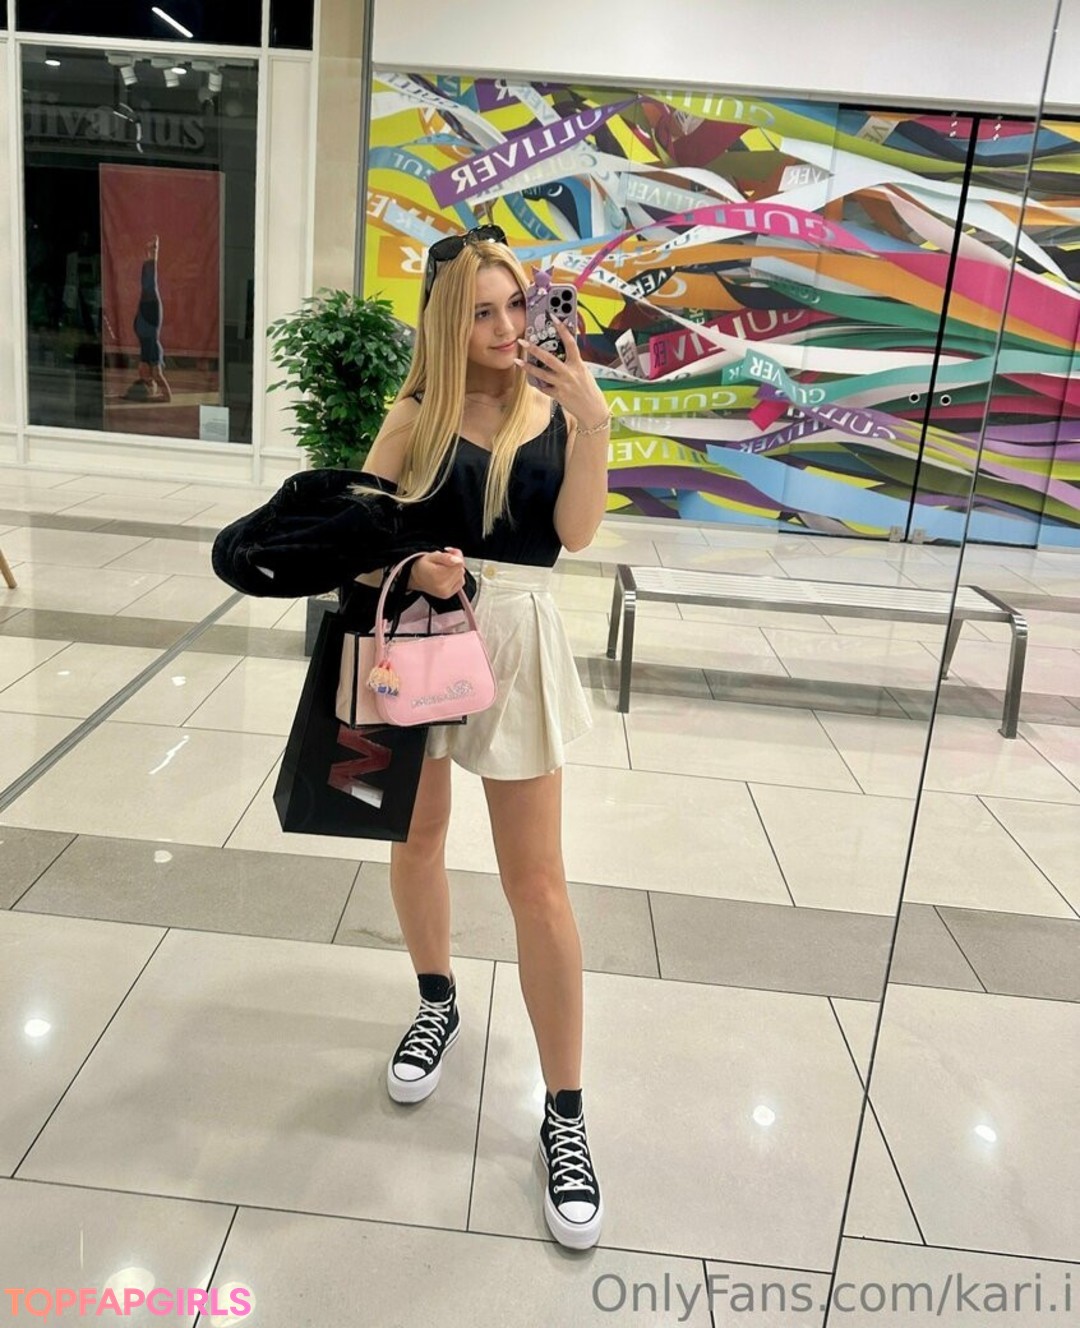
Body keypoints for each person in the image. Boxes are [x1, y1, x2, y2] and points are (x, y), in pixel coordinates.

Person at [355, 224, 612, 1250]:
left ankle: (565, 1111)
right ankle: (436, 998)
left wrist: (595, 423)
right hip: (426, 633)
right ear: (447, 324)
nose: (507, 328)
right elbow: (360, 536)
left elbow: (577, 533)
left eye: (516, 305)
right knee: (416, 838)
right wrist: (409, 566)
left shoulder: (555, 408)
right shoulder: (416, 415)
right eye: (483, 312)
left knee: (536, 882)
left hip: (518, 640)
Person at [124, 235, 172, 402]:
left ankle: (150, 254)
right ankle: (154, 251)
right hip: (150, 321)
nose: (139, 371)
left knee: (146, 285)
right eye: (142, 375)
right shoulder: (154, 367)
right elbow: (168, 398)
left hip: (143, 322)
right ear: (149, 378)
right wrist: (156, 396)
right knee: (150, 285)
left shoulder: (146, 361)